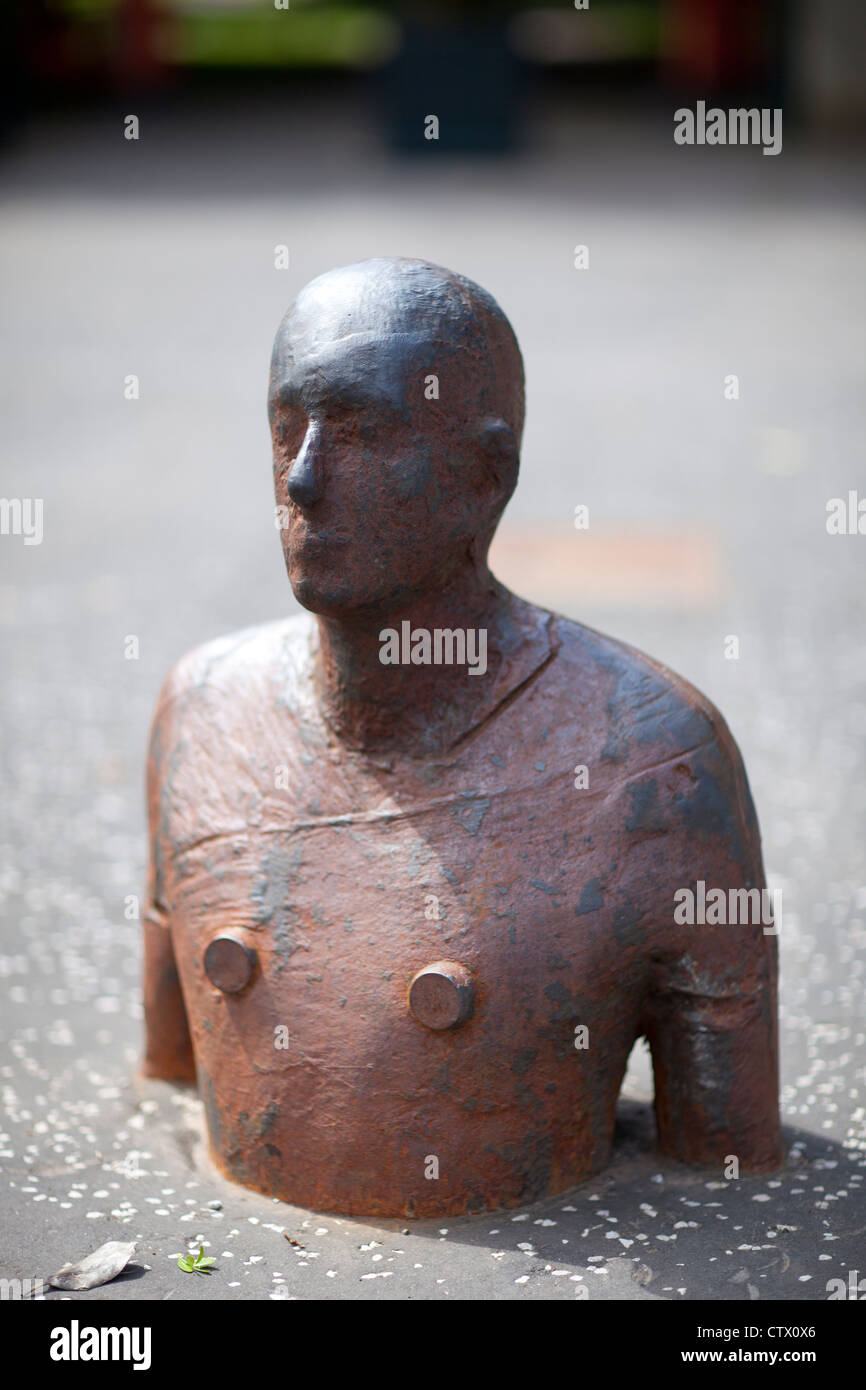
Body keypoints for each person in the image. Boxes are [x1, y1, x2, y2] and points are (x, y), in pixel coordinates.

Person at [142, 258, 781, 1217]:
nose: (304, 476)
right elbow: (173, 1064)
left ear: (486, 479)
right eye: (287, 427)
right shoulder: (202, 711)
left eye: (361, 431)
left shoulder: (656, 763)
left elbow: (727, 1154)